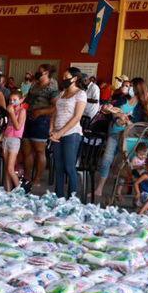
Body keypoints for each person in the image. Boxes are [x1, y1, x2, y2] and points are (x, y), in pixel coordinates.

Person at [94, 78, 138, 198]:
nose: (127, 88)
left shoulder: (140, 105)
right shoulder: (121, 100)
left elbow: (138, 122)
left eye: (130, 86)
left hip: (129, 136)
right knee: (106, 160)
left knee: (124, 163)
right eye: (126, 86)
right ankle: (99, 188)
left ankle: (118, 191)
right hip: (114, 133)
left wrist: (127, 120)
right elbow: (108, 110)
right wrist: (115, 114)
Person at [49, 67, 88, 199]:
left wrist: (60, 133)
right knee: (58, 167)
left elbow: (77, 117)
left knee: (69, 167)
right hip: (56, 133)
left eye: (67, 77)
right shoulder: (62, 93)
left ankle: (72, 199)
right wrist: (51, 129)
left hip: (72, 133)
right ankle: (59, 198)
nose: (64, 79)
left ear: (75, 78)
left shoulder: (80, 94)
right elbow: (55, 112)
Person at [23, 63, 58, 192]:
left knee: (39, 151)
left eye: (40, 71)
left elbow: (54, 107)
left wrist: (40, 112)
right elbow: (27, 100)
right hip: (29, 118)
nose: (38, 73)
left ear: (47, 73)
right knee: (26, 150)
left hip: (42, 120)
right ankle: (27, 176)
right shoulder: (34, 84)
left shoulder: (52, 87)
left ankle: (37, 178)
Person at [2, 89, 27, 191]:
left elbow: (17, 127)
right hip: (6, 139)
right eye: (10, 100)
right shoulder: (10, 110)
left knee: (10, 168)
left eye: (15, 99)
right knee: (6, 169)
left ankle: (19, 191)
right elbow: (8, 125)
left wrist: (12, 113)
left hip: (15, 140)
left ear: (21, 100)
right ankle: (8, 192)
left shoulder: (22, 111)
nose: (12, 102)